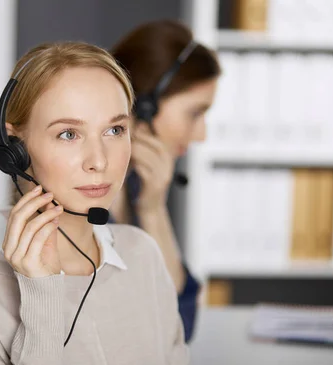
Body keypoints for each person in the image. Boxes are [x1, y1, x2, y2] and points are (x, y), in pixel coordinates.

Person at [0, 41, 189, 365]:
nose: (99, 161)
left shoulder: (142, 255)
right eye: (68, 134)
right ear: (15, 150)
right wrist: (41, 293)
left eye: (115, 129)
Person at [109, 20, 222, 341]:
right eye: (195, 113)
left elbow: (180, 322)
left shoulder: (135, 186)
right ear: (145, 105)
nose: (201, 134)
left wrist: (153, 206)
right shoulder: (80, 195)